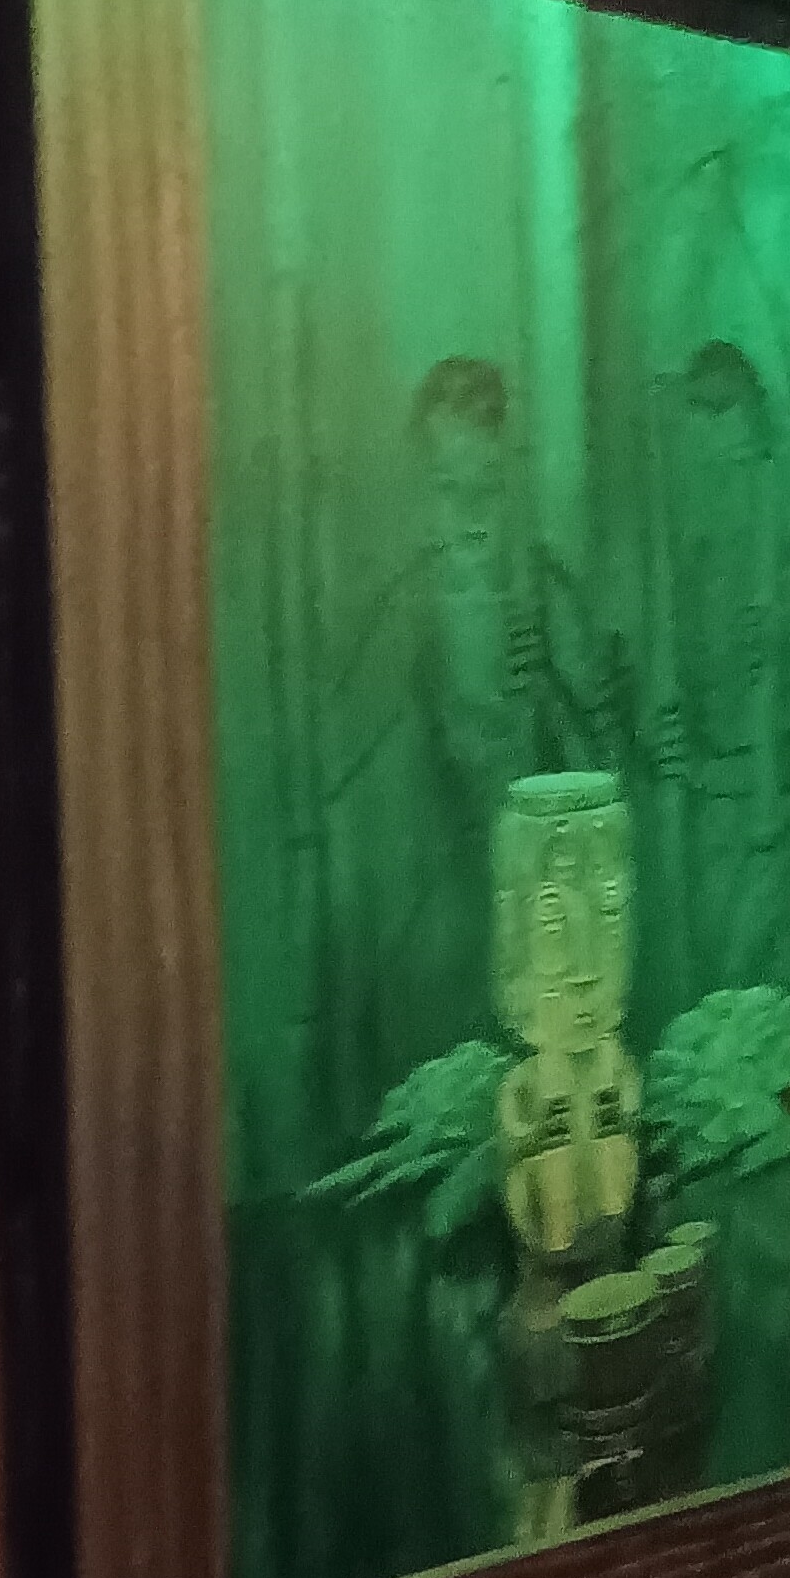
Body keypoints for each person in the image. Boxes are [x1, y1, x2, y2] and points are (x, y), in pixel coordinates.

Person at [319, 358, 619, 1151]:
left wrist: (553, 684)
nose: (472, 520)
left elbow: (609, 773)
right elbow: (357, 779)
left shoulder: (550, 597)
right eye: (450, 492)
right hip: (433, 946)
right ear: (422, 497)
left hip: (548, 951)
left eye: (489, 490)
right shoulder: (396, 618)